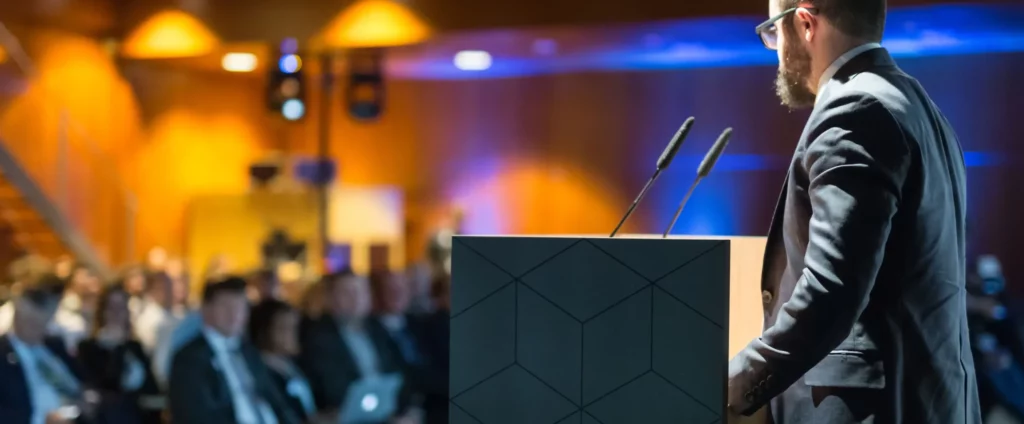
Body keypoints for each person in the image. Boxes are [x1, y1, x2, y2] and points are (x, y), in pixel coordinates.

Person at [727, 1, 980, 423]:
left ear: (804, 23)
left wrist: (730, 387)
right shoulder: (921, 108)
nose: (775, 49)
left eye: (774, 32)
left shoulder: (854, 110)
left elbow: (830, 293)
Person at [168, 276, 298, 424]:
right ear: (205, 309)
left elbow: (275, 400)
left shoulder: (247, 351)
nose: (234, 314)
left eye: (240, 307)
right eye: (226, 306)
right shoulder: (190, 359)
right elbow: (196, 416)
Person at [297, 271, 406, 422]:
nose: (355, 298)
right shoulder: (318, 338)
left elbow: (398, 371)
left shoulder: (378, 330)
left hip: (387, 414)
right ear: (331, 299)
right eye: (347, 293)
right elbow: (329, 389)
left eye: (360, 291)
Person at [0, 273, 87, 424]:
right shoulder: (2, 354)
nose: (38, 316)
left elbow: (82, 386)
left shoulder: (55, 346)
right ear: (17, 302)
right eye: (32, 305)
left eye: (48, 307)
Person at [77, 285, 160, 424]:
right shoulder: (89, 348)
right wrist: (117, 348)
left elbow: (152, 388)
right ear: (102, 312)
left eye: (121, 307)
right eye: (111, 307)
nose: (116, 313)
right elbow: (109, 384)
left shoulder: (136, 347)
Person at [249, 299, 330, 423]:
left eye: (295, 327)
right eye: (284, 328)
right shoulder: (261, 374)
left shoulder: (295, 365)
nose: (292, 334)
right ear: (265, 331)